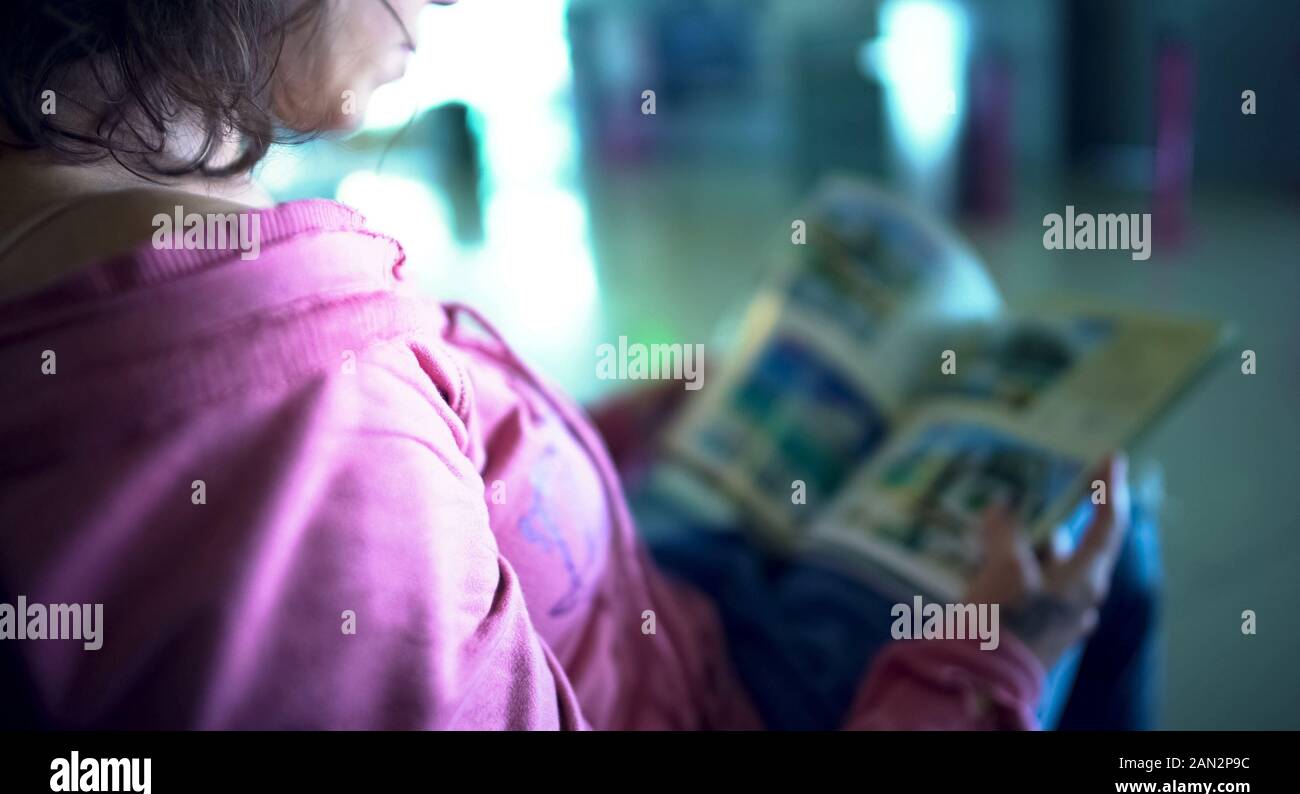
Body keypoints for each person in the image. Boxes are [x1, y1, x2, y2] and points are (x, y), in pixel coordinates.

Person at [0, 0, 1150, 730]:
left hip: (654, 595)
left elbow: (437, 501)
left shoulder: (117, 258)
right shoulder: (300, 427)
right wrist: (985, 665)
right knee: (1109, 530)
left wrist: (595, 436)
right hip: (740, 691)